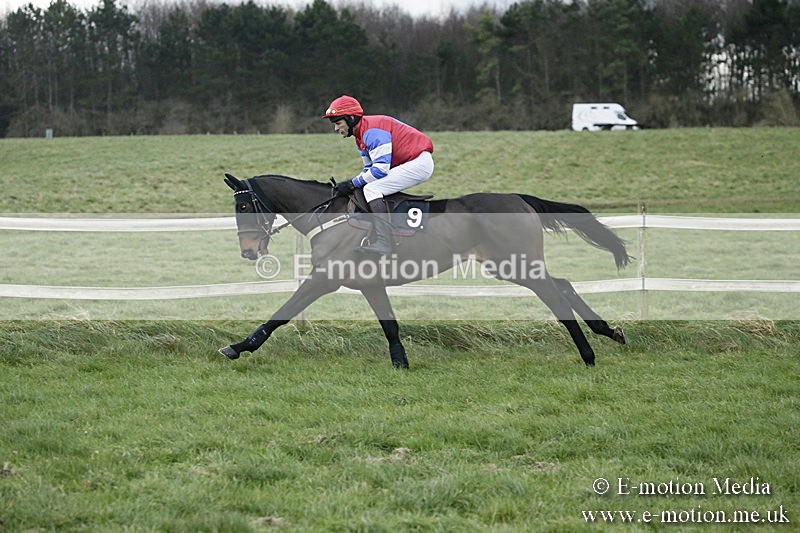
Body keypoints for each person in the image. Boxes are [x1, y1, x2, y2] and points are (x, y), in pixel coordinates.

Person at [322, 95, 434, 255]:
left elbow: (380, 170)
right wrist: (351, 184)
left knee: (371, 190)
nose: (336, 129)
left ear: (351, 118)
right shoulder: (360, 136)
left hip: (418, 163)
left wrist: (352, 183)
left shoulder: (371, 132)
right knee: (367, 186)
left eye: (338, 123)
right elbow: (368, 169)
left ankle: (384, 242)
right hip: (410, 162)